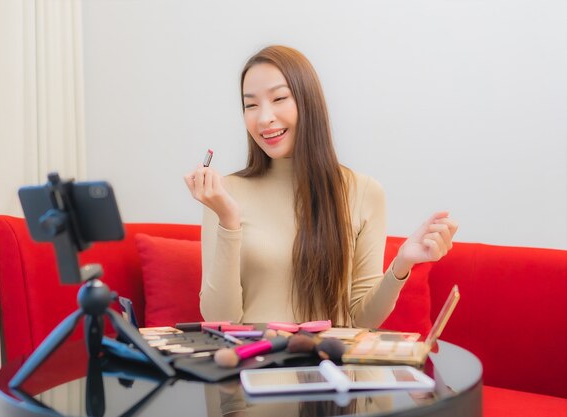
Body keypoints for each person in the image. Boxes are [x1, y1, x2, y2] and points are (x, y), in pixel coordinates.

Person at [184, 45, 457, 327]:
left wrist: (402, 263)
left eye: (279, 98)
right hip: (251, 366)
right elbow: (220, 319)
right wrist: (229, 220)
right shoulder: (223, 194)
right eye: (251, 105)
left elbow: (363, 321)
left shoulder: (364, 191)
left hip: (329, 368)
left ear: (308, 102)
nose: (264, 117)